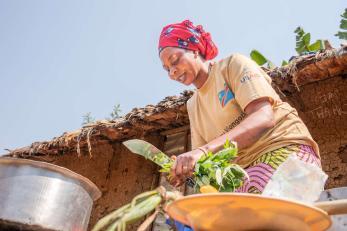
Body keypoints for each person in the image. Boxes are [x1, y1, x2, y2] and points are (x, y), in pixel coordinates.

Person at [158, 20, 321, 194]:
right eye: (166, 69)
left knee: (260, 209)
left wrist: (202, 151)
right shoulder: (193, 105)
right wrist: (186, 172)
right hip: (242, 175)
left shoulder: (232, 65)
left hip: (285, 151)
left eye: (174, 60)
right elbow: (205, 161)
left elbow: (263, 117)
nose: (172, 71)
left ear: (195, 50)